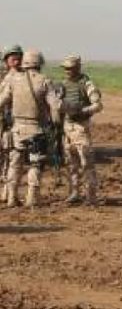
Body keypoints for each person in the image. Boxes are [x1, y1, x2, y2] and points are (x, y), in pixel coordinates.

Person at [0, 48, 57, 208]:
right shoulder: (45, 81)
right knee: (35, 164)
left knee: (14, 163)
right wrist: (55, 124)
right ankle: (32, 197)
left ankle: (11, 197)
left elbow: (2, 101)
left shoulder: (13, 80)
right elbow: (55, 107)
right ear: (39, 63)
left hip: (17, 129)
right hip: (36, 129)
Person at [56, 55, 102, 205]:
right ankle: (74, 192)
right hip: (67, 127)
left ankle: (91, 196)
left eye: (70, 68)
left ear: (77, 68)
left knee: (86, 162)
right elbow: (58, 104)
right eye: (66, 68)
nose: (67, 71)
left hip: (81, 127)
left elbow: (98, 105)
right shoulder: (63, 85)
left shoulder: (87, 84)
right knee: (71, 163)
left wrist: (83, 111)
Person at [0, 43, 23, 199]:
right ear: (6, 61)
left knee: (11, 158)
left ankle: (7, 191)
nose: (16, 61)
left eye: (18, 58)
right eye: (13, 58)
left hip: (13, 123)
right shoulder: (4, 78)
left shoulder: (25, 78)